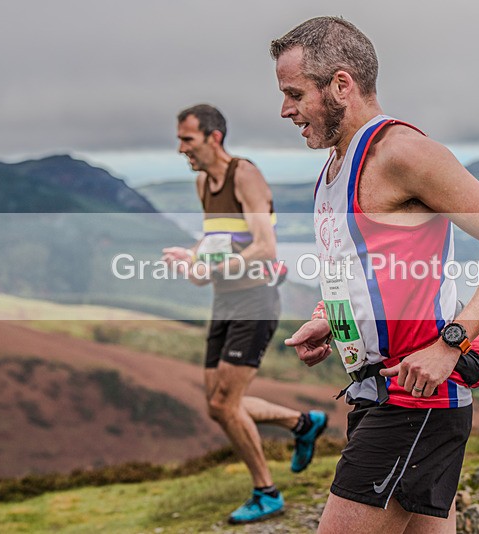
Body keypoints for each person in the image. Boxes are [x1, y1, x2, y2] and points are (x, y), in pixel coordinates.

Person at [272, 18, 479, 534]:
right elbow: (370, 270)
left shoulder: (403, 153)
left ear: (341, 85)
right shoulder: (335, 167)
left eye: (294, 93)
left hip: (417, 398)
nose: (285, 109)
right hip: (377, 392)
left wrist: (451, 345)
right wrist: (328, 317)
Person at [161, 104, 328, 524]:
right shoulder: (204, 183)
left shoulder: (244, 174)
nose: (181, 148)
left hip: (255, 300)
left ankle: (266, 492)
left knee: (224, 401)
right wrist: (194, 258)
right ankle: (302, 424)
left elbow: (264, 248)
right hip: (225, 299)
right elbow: (215, 237)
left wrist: (209, 267)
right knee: (219, 405)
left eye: (188, 140)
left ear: (214, 138)